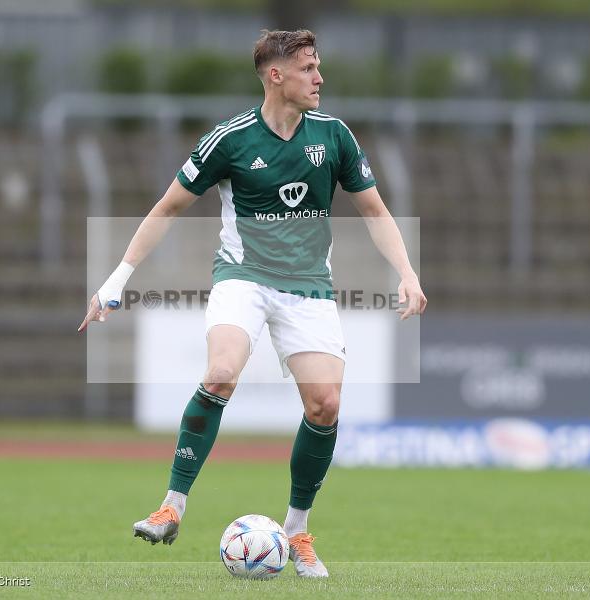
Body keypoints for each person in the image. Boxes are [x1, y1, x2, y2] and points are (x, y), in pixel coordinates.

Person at [79, 29, 426, 578]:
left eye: (318, 66)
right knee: (220, 373)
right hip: (243, 277)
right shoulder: (231, 139)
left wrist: (406, 273)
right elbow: (168, 208)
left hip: (309, 286)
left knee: (325, 406)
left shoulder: (334, 137)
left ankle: (296, 528)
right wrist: (118, 278)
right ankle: (172, 506)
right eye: (309, 68)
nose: (319, 77)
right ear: (276, 75)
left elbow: (376, 212)